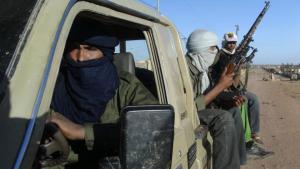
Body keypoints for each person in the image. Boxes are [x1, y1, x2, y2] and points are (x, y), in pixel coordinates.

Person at [46, 19, 158, 168]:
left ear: (105, 53)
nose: (80, 56)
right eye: (74, 47)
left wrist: (83, 132)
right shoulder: (53, 83)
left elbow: (153, 127)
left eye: (90, 48)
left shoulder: (124, 87)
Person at [186, 29, 247, 169]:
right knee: (223, 118)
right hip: (191, 113)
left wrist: (230, 99)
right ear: (200, 50)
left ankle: (238, 160)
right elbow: (192, 107)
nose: (216, 53)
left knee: (234, 111)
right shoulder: (185, 70)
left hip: (202, 107)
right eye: (213, 48)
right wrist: (221, 86)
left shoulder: (203, 69)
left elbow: (210, 93)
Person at [210, 32, 273, 158]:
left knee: (253, 98)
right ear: (225, 43)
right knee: (242, 101)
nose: (232, 45)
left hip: (236, 88)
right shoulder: (220, 56)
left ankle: (254, 133)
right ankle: (246, 143)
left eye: (234, 42)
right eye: (229, 42)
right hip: (223, 89)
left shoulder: (236, 55)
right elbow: (223, 75)